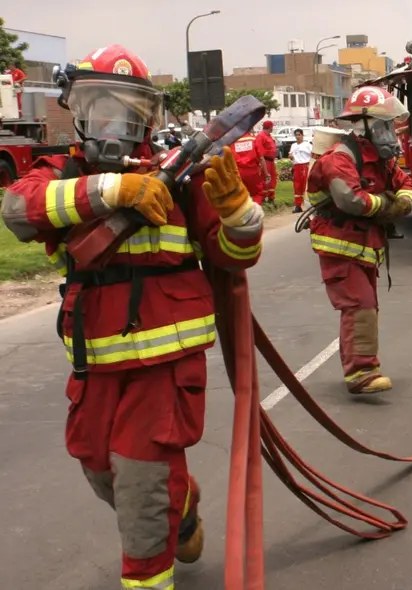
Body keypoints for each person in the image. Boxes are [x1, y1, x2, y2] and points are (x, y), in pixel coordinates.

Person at [0, 44, 264, 590]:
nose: (113, 120)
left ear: (149, 116)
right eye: (100, 105)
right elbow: (16, 211)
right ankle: (182, 506)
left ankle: (148, 577)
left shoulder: (181, 179)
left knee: (141, 478)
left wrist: (240, 212)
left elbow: (235, 258)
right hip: (96, 363)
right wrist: (110, 189)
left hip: (167, 366)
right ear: (78, 109)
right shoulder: (68, 175)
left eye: (128, 108)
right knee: (101, 469)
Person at [306, 86, 412, 394]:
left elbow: (406, 185)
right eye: (386, 124)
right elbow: (350, 201)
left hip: (365, 246)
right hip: (340, 247)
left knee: (365, 307)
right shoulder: (339, 159)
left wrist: (403, 201)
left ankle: (362, 367)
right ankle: (362, 373)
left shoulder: (381, 159)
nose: (392, 131)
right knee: (360, 306)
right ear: (364, 124)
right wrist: (389, 205)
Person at [233, 128, 267, 205]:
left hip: (238, 172)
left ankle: (243, 213)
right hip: (252, 171)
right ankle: (255, 211)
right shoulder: (254, 139)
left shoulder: (234, 141)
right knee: (258, 193)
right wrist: (266, 173)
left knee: (241, 195)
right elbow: (261, 158)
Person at [255, 120, 278, 206]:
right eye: (272, 126)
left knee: (272, 179)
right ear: (270, 127)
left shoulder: (269, 136)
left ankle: (271, 198)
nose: (273, 128)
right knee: (265, 179)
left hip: (271, 161)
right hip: (265, 161)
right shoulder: (261, 136)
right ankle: (263, 199)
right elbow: (260, 151)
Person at [289, 128, 312, 213]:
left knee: (306, 185)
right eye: (296, 135)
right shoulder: (293, 145)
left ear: (302, 135)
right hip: (297, 166)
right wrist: (291, 157)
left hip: (305, 166)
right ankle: (298, 206)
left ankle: (308, 204)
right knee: (297, 186)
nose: (298, 136)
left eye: (299, 135)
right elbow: (291, 156)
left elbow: (312, 154)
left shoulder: (307, 145)